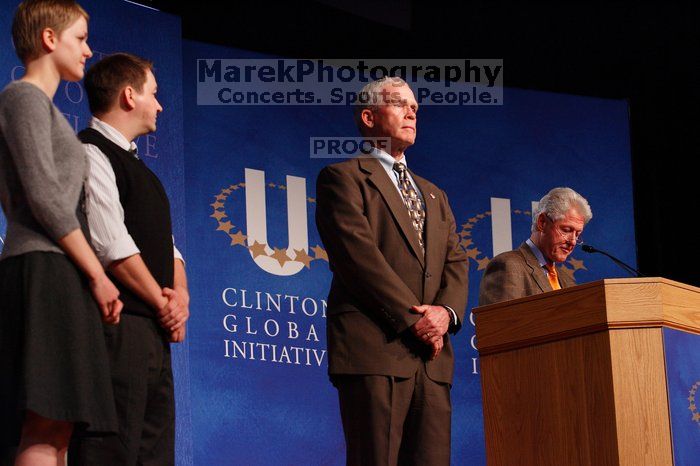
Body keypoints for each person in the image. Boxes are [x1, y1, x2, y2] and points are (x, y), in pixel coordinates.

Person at [315, 76, 468, 466]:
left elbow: (456, 260)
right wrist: (413, 320)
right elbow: (358, 259)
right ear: (368, 117)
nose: (412, 110)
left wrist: (444, 315)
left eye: (414, 105)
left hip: (431, 360)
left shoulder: (435, 194)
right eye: (399, 103)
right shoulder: (344, 178)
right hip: (375, 348)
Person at [0, 1, 122, 465]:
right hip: (43, 268)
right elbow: (44, 197)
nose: (89, 50)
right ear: (49, 39)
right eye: (80, 38)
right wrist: (98, 273)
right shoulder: (23, 97)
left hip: (62, 269)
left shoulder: (43, 109)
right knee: (43, 422)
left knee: (60, 429)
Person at [66, 52, 189, 466]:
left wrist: (180, 299)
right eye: (154, 94)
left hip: (152, 332)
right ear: (129, 95)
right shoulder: (88, 152)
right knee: (110, 448)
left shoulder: (146, 174)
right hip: (115, 328)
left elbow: (168, 247)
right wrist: (163, 303)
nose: (160, 105)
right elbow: (110, 244)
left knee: (154, 453)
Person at [478, 187, 592, 306]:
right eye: (566, 230)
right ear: (542, 222)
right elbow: (500, 323)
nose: (573, 241)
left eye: (578, 234)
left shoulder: (568, 281)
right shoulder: (509, 266)